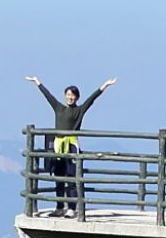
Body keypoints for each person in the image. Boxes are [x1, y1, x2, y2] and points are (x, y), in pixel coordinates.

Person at [26, 76, 116, 215]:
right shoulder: (59, 108)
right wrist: (38, 82)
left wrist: (104, 86)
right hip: (58, 147)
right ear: (65, 96)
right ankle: (60, 207)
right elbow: (48, 96)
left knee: (72, 177)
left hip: (72, 145)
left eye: (72, 95)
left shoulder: (79, 110)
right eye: (68, 95)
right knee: (59, 177)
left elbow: (91, 99)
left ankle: (72, 208)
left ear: (77, 97)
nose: (70, 97)